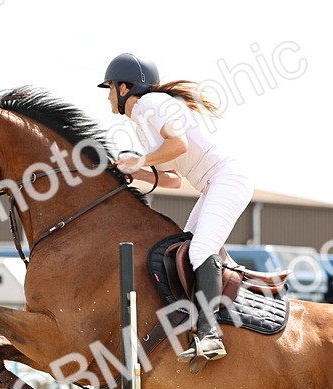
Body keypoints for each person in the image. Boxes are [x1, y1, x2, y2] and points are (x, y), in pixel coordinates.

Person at [99, 53, 254, 363]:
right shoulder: (143, 121)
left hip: (227, 179)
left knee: (200, 251)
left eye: (110, 88)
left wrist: (139, 161)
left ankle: (210, 335)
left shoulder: (151, 103)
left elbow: (179, 144)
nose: (108, 96)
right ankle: (212, 313)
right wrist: (134, 172)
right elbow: (172, 179)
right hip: (213, 185)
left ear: (125, 87)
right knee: (185, 248)